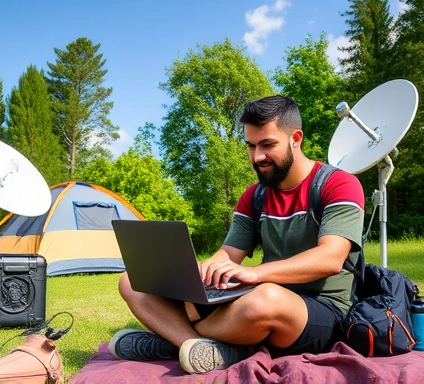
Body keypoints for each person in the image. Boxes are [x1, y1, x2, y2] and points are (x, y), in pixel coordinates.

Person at [109, 95, 365, 374]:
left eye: (268, 145)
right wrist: (197, 273)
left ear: (296, 138)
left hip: (321, 310)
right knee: (133, 282)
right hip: (256, 298)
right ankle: (197, 347)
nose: (257, 157)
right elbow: (228, 255)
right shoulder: (255, 196)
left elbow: (330, 258)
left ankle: (174, 340)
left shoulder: (339, 184)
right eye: (251, 146)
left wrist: (257, 273)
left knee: (265, 298)